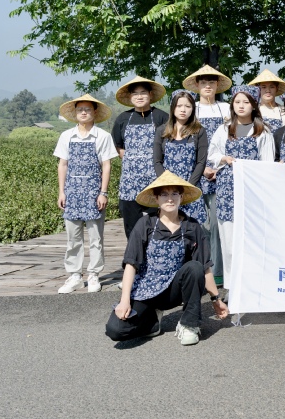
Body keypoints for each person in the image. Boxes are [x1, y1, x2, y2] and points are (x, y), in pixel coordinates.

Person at [105, 171, 229, 345]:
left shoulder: (192, 226)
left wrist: (216, 300)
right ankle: (152, 322)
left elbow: (205, 266)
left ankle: (189, 324)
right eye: (164, 194)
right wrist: (124, 301)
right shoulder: (145, 224)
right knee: (116, 330)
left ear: (181, 197)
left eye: (174, 194)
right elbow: (131, 264)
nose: (170, 199)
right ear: (156, 199)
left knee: (194, 267)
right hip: (146, 290)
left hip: (174, 290)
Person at [208, 85, 277, 275]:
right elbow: (212, 154)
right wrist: (224, 158)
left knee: (251, 239)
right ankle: (231, 284)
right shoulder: (224, 129)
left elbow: (267, 164)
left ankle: (252, 281)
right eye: (237, 102)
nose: (241, 106)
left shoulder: (263, 131)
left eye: (246, 102)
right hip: (227, 189)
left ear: (254, 105)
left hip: (252, 190)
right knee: (229, 241)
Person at [53, 94, 117, 294]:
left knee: (96, 237)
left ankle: (94, 274)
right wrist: (61, 191)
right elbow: (63, 165)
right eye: (80, 109)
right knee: (73, 237)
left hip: (93, 192)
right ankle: (74, 275)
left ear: (95, 112)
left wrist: (103, 192)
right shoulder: (67, 136)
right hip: (72, 191)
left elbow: (106, 166)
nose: (83, 112)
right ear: (75, 113)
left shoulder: (102, 136)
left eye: (87, 109)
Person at [182, 64, 232, 286]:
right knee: (197, 223)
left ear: (217, 85)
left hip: (221, 172)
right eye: (203, 82)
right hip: (194, 170)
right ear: (197, 85)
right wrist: (201, 168)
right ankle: (194, 269)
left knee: (218, 224)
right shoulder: (190, 108)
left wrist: (218, 167)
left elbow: (230, 140)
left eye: (212, 82)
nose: (208, 86)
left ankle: (218, 270)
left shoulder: (226, 108)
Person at [112, 76, 168, 239]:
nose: (139, 96)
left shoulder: (161, 117)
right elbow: (118, 146)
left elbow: (169, 144)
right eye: (135, 93)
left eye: (143, 92)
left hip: (156, 180)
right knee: (131, 226)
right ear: (130, 97)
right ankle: (134, 253)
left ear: (150, 94)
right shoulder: (123, 118)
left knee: (159, 222)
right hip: (130, 181)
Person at [153, 90, 210, 224]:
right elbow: (157, 161)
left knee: (192, 227)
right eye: (179, 106)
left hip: (191, 187)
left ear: (193, 109)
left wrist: (188, 187)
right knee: (170, 225)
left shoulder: (199, 131)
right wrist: (167, 185)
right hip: (168, 190)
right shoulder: (162, 131)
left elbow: (201, 162)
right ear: (173, 107)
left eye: (187, 106)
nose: (183, 110)